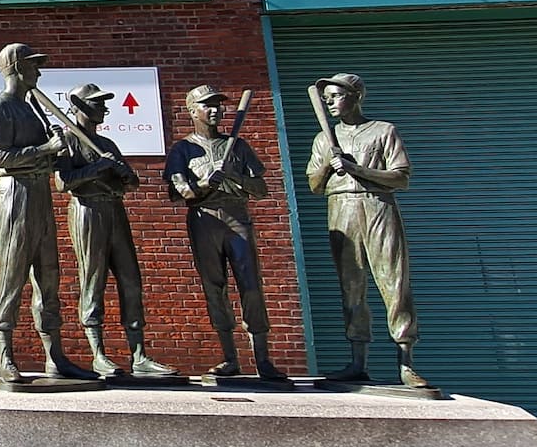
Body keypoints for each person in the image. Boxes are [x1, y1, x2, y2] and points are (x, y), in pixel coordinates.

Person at [305, 72, 430, 388]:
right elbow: (315, 186)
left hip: (377, 205)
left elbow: (401, 177)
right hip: (341, 208)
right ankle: (357, 362)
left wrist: (355, 168)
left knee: (394, 281)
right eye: (327, 98)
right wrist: (327, 165)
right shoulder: (324, 138)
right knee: (351, 287)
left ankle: (406, 362)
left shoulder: (383, 131)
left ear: (356, 95)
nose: (330, 102)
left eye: (336, 96)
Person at [0, 42, 96, 383]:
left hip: (39, 191)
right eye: (33, 66)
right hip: (14, 193)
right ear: (16, 68)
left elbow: (46, 156)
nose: (39, 72)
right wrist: (46, 147)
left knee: (49, 276)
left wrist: (59, 152)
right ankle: (5, 355)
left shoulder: (32, 108)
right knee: (13, 275)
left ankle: (55, 357)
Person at [163, 84, 286, 380]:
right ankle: (229, 357)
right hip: (204, 219)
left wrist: (232, 173)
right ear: (192, 111)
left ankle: (262, 359)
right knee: (214, 286)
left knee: (251, 284)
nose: (216, 109)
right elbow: (180, 192)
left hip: (237, 217)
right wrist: (206, 181)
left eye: (218, 104)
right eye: (207, 105)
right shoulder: (182, 149)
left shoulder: (238, 146)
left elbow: (261, 189)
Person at [55, 83, 177, 378]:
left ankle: (139, 355)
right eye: (97, 104)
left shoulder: (107, 144)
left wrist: (126, 175)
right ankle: (98, 355)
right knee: (93, 279)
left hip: (115, 210)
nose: (105, 108)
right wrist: (97, 168)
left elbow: (131, 184)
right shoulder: (68, 141)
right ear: (80, 106)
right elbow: (62, 183)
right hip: (87, 210)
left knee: (131, 280)